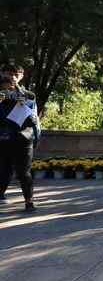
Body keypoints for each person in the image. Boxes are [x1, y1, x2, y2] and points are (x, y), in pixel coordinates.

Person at [0, 63, 40, 212]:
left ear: (21, 76)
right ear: (2, 74)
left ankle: (29, 202)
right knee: (4, 170)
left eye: (15, 74)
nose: (12, 77)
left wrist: (25, 107)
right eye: (8, 74)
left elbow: (34, 120)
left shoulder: (29, 95)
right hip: (3, 138)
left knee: (24, 172)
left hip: (23, 138)